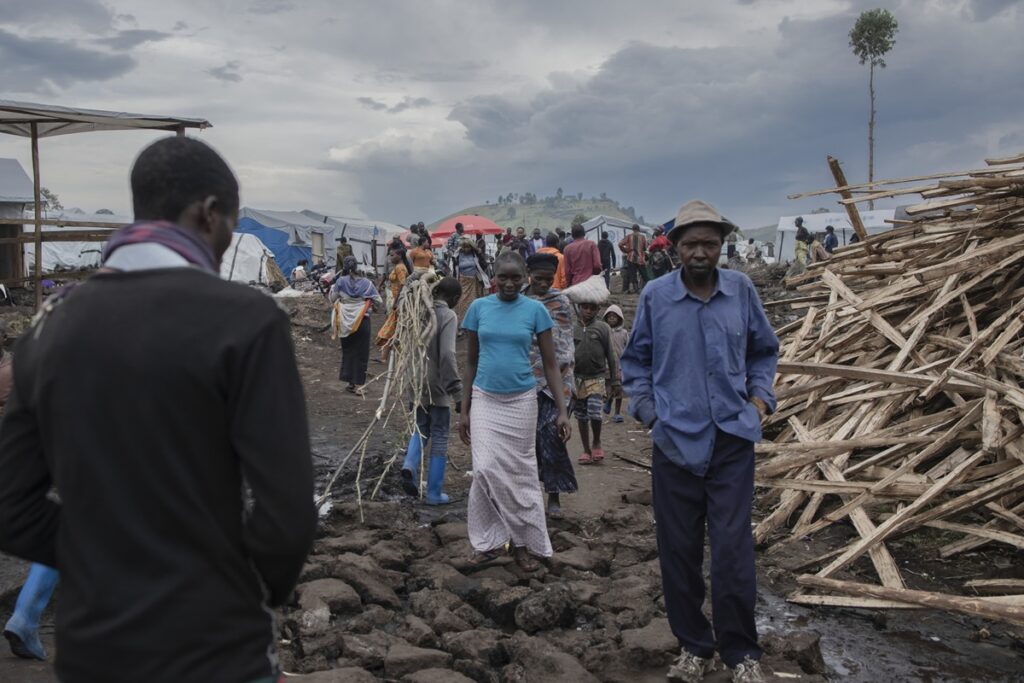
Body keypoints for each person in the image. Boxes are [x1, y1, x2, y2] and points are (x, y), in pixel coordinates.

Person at [0, 136, 316, 683]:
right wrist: (246, 583)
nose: (223, 246)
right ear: (210, 212)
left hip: (93, 648)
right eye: (228, 228)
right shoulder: (244, 319)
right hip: (214, 643)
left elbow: (8, 503)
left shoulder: (51, 326)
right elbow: (286, 512)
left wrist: (100, 552)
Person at [621, 199, 777, 683]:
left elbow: (763, 351)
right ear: (675, 248)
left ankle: (741, 653)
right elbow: (635, 362)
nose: (700, 251)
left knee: (732, 550)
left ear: (722, 246)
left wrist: (759, 401)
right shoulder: (655, 296)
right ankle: (694, 645)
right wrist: (651, 415)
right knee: (679, 551)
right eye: (691, 243)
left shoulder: (742, 290)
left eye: (709, 243)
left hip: (732, 439)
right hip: (674, 443)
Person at [458, 251, 571, 572]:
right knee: (484, 469)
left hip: (523, 400)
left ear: (526, 278)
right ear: (493, 277)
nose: (509, 283)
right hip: (484, 399)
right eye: (502, 277)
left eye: (515, 277)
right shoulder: (478, 308)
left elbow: (551, 364)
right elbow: (470, 362)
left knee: (521, 476)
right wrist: (464, 411)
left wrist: (562, 410)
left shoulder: (536, 311)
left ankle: (523, 545)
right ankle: (488, 543)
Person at [400, 277, 463, 505]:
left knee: (420, 429)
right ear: (455, 299)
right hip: (437, 385)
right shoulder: (448, 315)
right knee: (440, 435)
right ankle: (434, 494)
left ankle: (409, 464)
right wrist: (457, 392)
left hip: (414, 381)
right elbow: (447, 354)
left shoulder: (417, 311)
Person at [525, 253, 576, 518]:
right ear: (529, 275)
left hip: (558, 381)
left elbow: (565, 341)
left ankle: (554, 495)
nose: (543, 284)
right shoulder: (519, 300)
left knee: (553, 439)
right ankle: (530, 496)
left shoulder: (562, 302)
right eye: (539, 278)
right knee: (528, 443)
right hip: (523, 380)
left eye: (548, 279)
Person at [573, 301, 619, 464]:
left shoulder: (603, 328)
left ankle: (596, 441)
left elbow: (611, 355)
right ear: (579, 307)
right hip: (577, 378)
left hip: (597, 376)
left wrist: (614, 381)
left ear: (598, 310)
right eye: (585, 307)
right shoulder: (573, 328)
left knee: (594, 412)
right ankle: (586, 449)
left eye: (593, 308)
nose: (588, 311)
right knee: (581, 416)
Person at [331, 255, 383, 395]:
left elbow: (333, 298)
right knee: (362, 353)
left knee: (348, 351)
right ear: (356, 266)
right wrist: (370, 305)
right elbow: (378, 301)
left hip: (345, 322)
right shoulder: (367, 283)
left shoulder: (340, 281)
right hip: (362, 321)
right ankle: (360, 385)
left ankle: (350, 383)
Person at [375, 250, 409, 364]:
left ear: (399, 256)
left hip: (398, 302)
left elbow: (403, 284)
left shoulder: (400, 268)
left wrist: (396, 301)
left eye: (392, 255)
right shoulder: (399, 266)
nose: (390, 257)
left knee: (393, 328)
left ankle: (388, 357)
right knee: (394, 329)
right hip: (396, 301)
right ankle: (385, 357)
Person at [602, 304, 629, 424]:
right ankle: (608, 401)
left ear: (619, 318)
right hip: (607, 366)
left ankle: (617, 413)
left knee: (619, 390)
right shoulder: (604, 332)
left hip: (620, 367)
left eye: (614, 317)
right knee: (608, 388)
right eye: (609, 317)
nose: (612, 319)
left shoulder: (624, 333)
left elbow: (628, 348)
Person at [455, 240, 488, 321]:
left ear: (471, 247)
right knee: (462, 301)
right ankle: (462, 322)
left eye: (468, 247)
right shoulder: (458, 255)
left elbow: (484, 265)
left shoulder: (475, 254)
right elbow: (455, 268)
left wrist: (480, 254)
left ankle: (472, 321)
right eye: (464, 247)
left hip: (474, 281)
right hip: (463, 281)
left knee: (473, 301)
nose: (466, 249)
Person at [618, 224, 648, 294]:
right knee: (644, 274)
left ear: (633, 229)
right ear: (639, 229)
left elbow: (620, 244)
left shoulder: (629, 236)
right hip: (640, 258)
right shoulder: (642, 237)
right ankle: (647, 288)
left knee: (633, 274)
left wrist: (626, 250)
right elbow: (645, 248)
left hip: (631, 258)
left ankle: (636, 290)